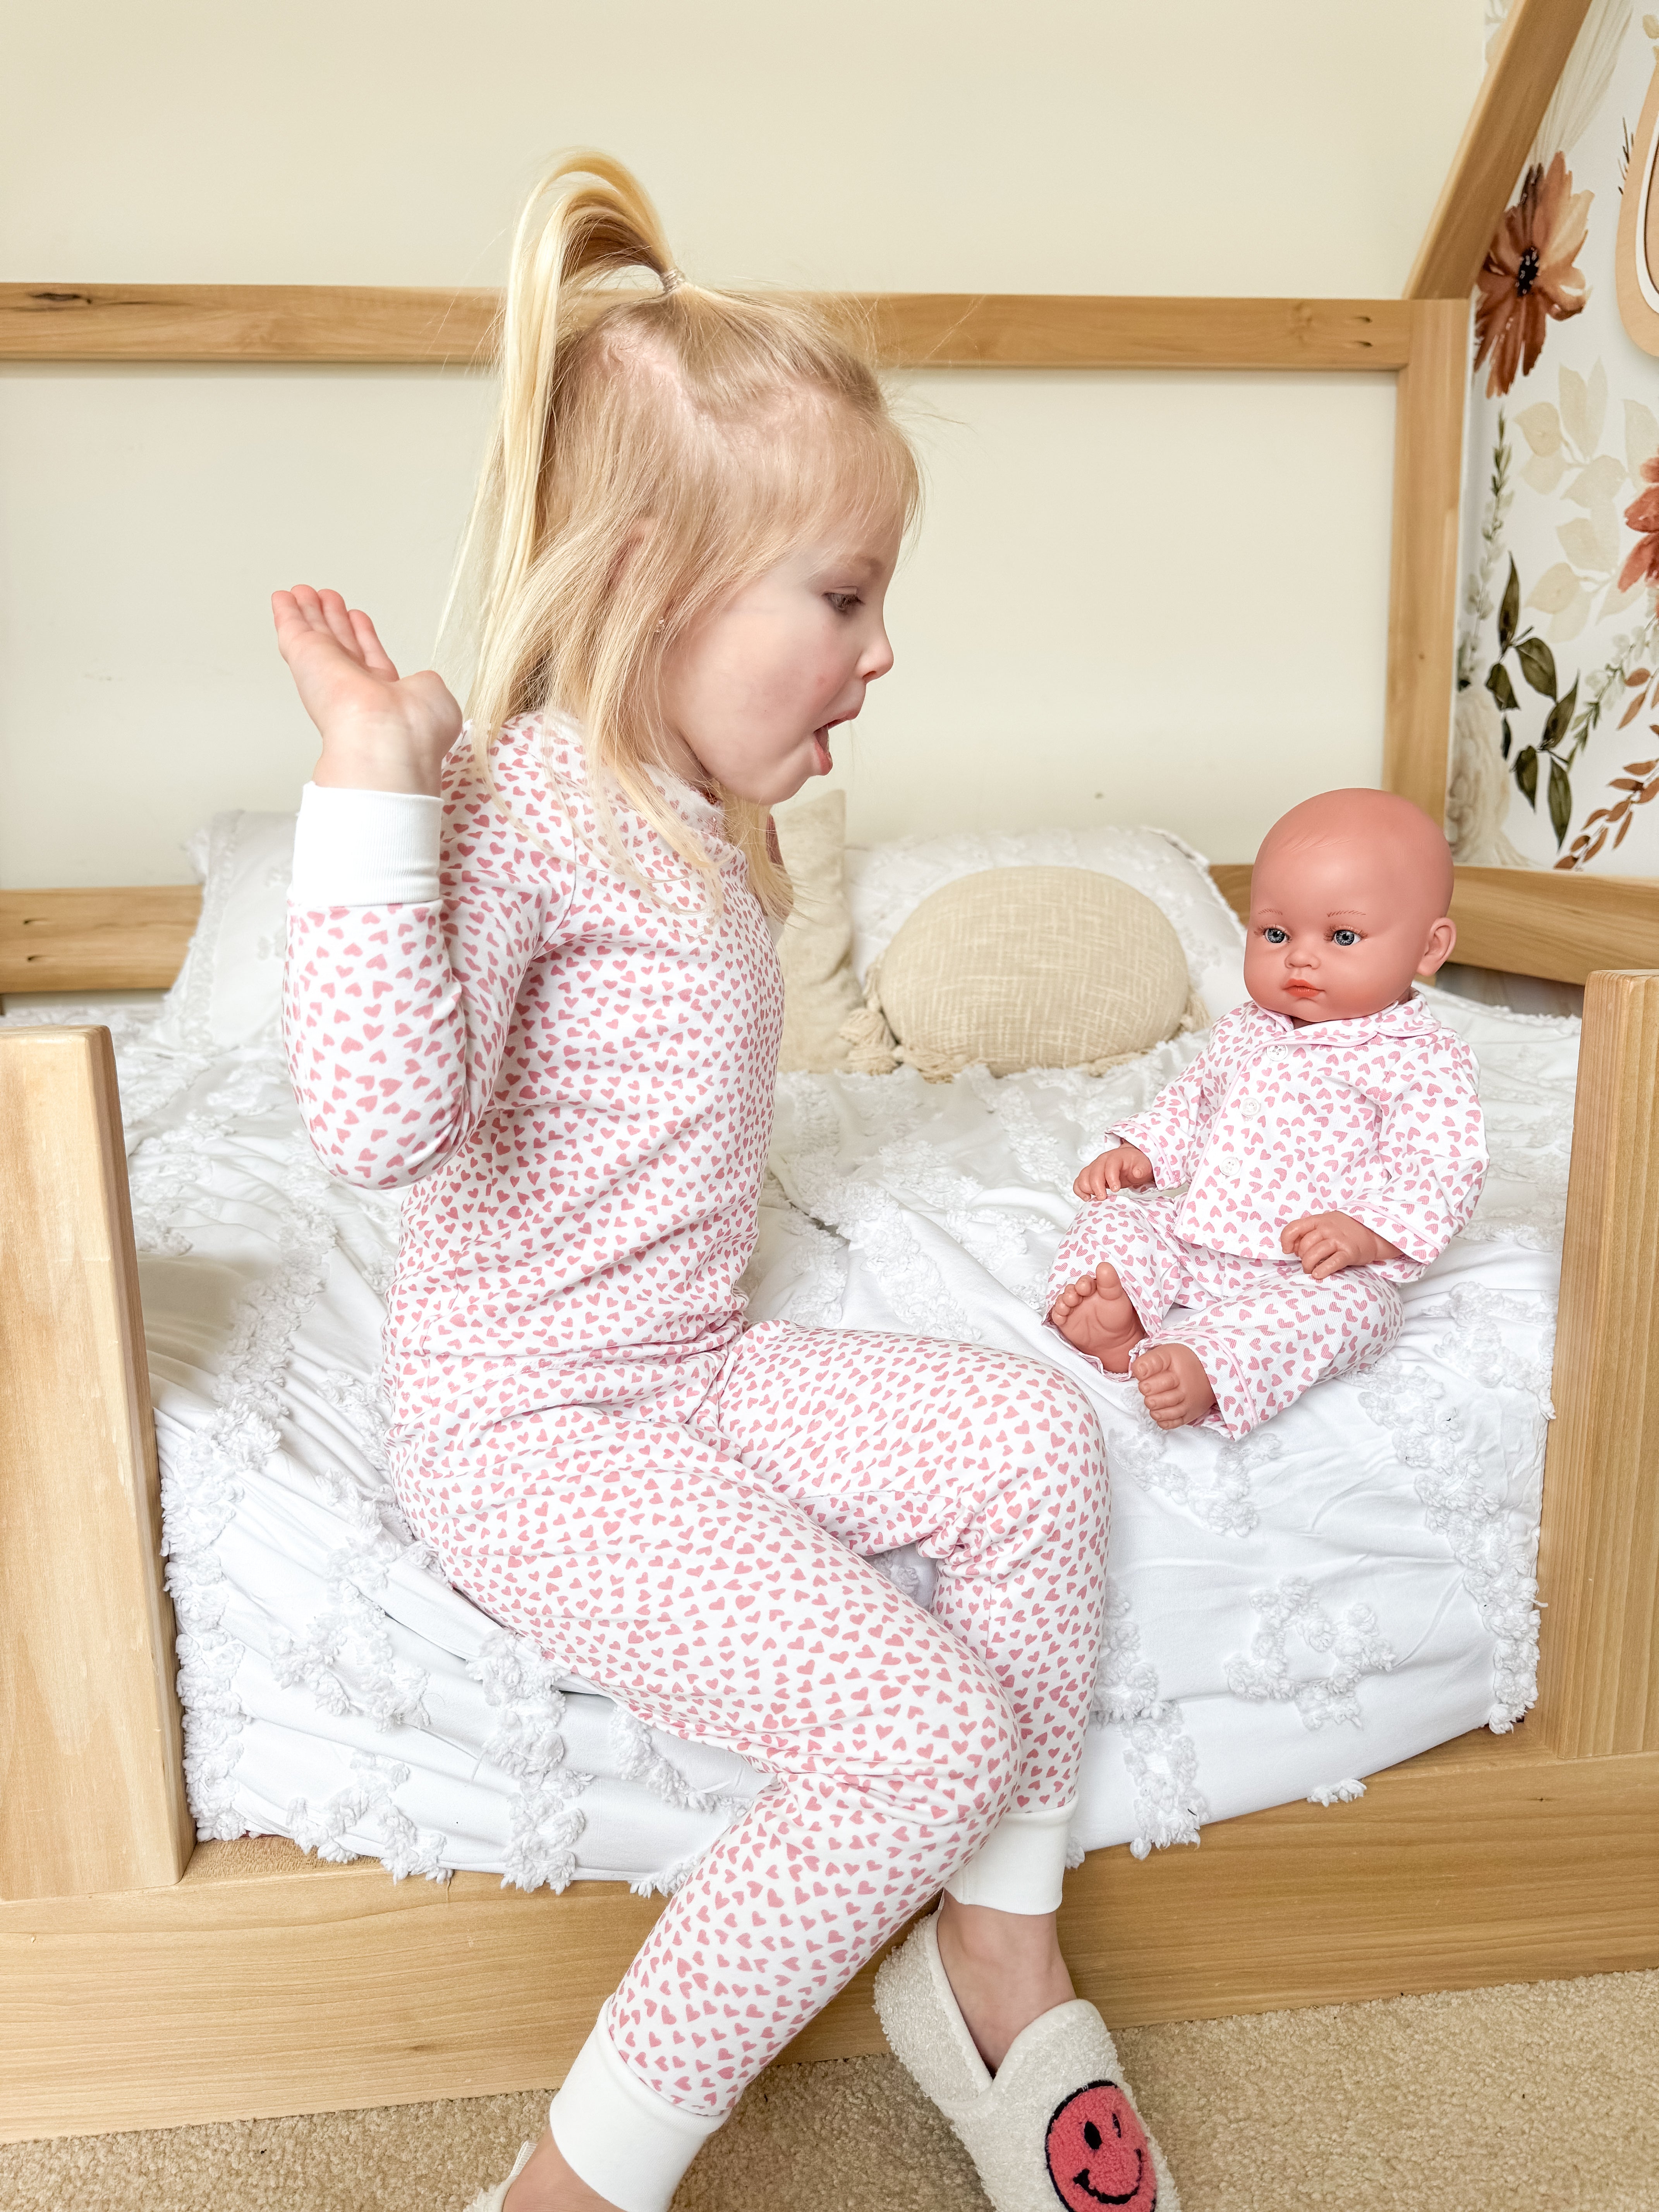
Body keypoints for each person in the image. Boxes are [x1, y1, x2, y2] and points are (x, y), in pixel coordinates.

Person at [275, 155, 1177, 2212]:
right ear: (649, 582)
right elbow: (376, 1121)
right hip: (535, 1431)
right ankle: (574, 2183)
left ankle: (989, 1966)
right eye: (842, 597)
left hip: (683, 1364)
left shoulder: (684, 815)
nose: (880, 653)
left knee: (1032, 1442)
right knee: (914, 1734)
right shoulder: (512, 805)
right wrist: (370, 786)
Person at [1048, 789, 1486, 1435]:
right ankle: (1116, 1315)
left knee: (1361, 1315)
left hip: (1313, 1268)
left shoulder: (1423, 1058)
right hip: (1202, 1232)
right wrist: (1143, 1153)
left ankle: (1208, 1365)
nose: (1300, 957)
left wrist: (1366, 1233)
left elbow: (1444, 1168)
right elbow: (1195, 1100)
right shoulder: (1247, 1028)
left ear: (1429, 948)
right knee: (1119, 1221)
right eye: (1275, 933)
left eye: (1342, 935)